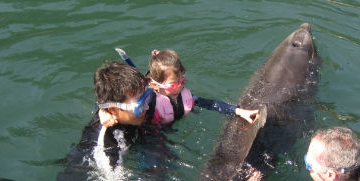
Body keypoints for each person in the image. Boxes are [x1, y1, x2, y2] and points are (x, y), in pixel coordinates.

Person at [98, 49, 259, 127]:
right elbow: (119, 103)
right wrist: (103, 112)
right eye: (173, 85)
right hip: (155, 133)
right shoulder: (149, 101)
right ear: (154, 84)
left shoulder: (185, 96)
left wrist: (238, 111)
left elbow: (211, 104)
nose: (179, 87)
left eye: (182, 81)